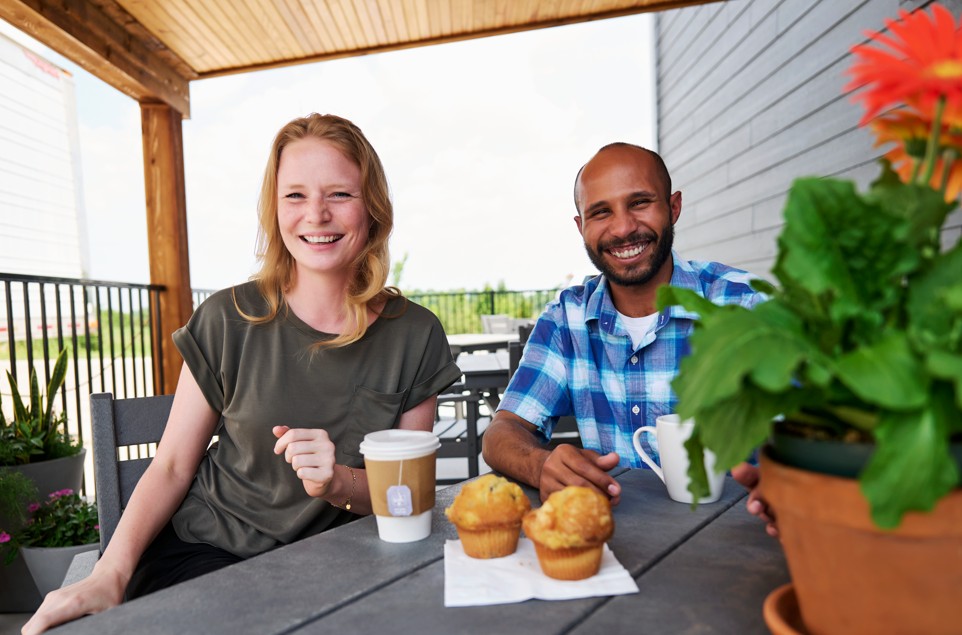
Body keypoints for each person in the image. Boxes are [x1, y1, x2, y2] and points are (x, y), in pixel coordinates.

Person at [23, 114, 461, 634]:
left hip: (340, 565)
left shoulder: (415, 334)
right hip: (206, 551)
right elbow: (169, 468)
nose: (316, 214)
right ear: (275, 212)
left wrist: (340, 483)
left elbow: (410, 497)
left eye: (340, 194)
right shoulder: (227, 318)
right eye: (295, 195)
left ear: (373, 208)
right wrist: (110, 573)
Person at [482, 143, 772, 527]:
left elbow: (814, 434)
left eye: (639, 203)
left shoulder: (746, 304)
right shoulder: (566, 317)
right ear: (580, 226)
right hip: (614, 547)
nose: (622, 228)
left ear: (673, 208)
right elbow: (503, 431)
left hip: (740, 542)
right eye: (600, 212)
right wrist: (541, 465)